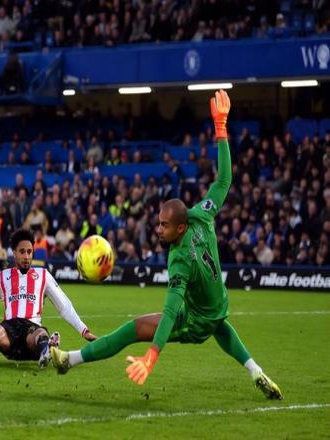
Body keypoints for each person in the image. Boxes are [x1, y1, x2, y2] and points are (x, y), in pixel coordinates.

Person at [50, 91, 282, 400]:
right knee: (218, 324)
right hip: (215, 306)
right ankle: (256, 371)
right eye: (159, 223)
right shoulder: (201, 215)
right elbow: (224, 181)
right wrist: (221, 128)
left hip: (195, 321)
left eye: (164, 226)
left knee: (132, 330)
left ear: (180, 228)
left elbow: (170, 311)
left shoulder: (179, 259)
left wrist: (152, 355)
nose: (159, 230)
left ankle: (69, 360)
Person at [0, 228, 97, 369]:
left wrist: (83, 330)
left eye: (29, 252)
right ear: (14, 253)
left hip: (31, 330)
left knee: (40, 333)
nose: (26, 256)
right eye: (22, 252)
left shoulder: (43, 276)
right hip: (9, 333)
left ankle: (45, 352)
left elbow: (64, 306)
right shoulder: (3, 277)